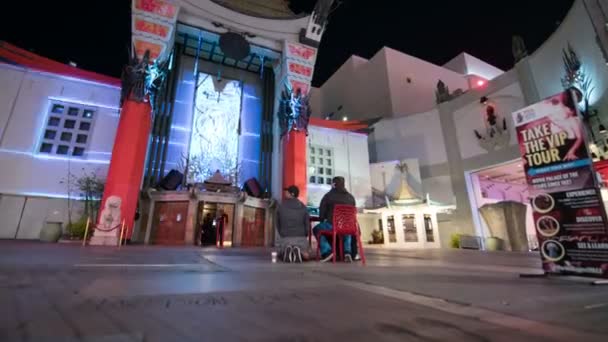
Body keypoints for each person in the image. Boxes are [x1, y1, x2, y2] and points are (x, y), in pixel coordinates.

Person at [314, 176, 357, 262]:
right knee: (346, 229)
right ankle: (347, 252)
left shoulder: (328, 196)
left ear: (333, 184)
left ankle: (327, 251)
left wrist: (322, 219)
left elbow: (322, 214)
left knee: (317, 229)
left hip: (332, 225)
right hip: (348, 226)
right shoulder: (351, 197)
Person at [275, 185, 311, 263]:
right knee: (307, 256)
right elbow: (307, 225)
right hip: (301, 238)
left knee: (279, 254)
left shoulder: (281, 206)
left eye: (287, 192)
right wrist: (305, 234)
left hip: (285, 238)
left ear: (292, 194)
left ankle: (285, 252)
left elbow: (277, 224)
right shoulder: (303, 207)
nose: (285, 193)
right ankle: (300, 253)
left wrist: (282, 233)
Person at [548, 91, 585, 161]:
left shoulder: (572, 120)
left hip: (570, 149)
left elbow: (580, 137)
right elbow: (553, 144)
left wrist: (571, 151)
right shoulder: (553, 120)